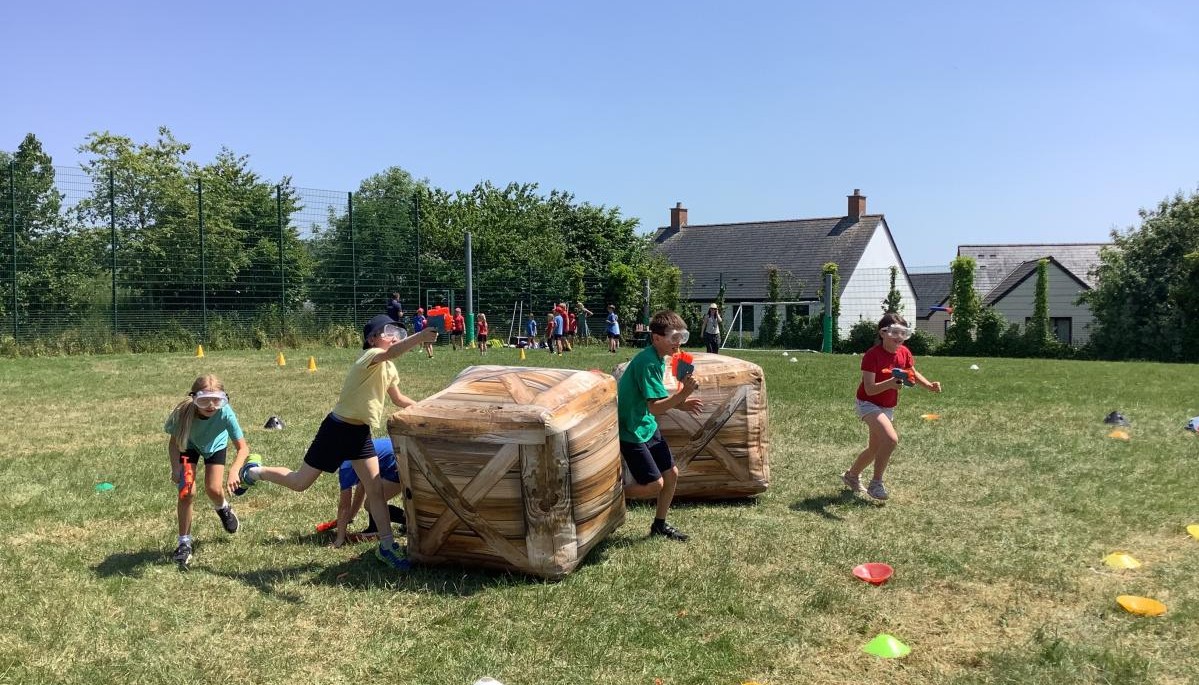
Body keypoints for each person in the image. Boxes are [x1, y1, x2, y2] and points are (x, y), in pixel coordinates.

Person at [236, 315, 438, 569]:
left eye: (397, 333)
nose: (394, 337)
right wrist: (420, 337)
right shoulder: (370, 355)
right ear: (372, 339)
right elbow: (392, 353)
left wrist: (428, 408)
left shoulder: (389, 367)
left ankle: (387, 547)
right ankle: (254, 472)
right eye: (388, 332)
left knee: (375, 490)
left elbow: (398, 398)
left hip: (360, 433)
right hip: (336, 430)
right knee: (300, 482)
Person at [617, 310, 703, 542]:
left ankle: (659, 525)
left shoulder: (657, 358)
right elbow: (655, 407)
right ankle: (607, 498)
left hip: (645, 424)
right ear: (656, 338)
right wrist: (682, 395)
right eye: (674, 337)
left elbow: (656, 399)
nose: (678, 343)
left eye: (682, 337)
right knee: (654, 485)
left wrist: (681, 405)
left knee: (671, 474)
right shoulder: (647, 362)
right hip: (631, 431)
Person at [841, 312, 942, 500]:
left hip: (887, 406)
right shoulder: (872, 355)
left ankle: (851, 476)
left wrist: (929, 385)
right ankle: (876, 483)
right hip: (868, 403)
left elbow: (912, 372)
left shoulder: (904, 352)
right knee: (890, 439)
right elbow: (870, 389)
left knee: (875, 449)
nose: (899, 337)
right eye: (895, 332)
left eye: (903, 333)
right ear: (883, 333)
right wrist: (890, 383)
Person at [164, 374, 250, 565]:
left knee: (213, 489)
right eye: (204, 401)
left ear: (224, 399)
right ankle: (184, 543)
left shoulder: (225, 413)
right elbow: (173, 443)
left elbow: (243, 448)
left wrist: (234, 470)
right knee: (186, 491)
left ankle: (223, 507)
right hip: (188, 447)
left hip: (215, 447)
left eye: (216, 400)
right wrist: (176, 467)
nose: (211, 406)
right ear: (194, 398)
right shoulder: (182, 413)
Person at [331, 437, 406, 548]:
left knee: (371, 504)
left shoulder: (346, 466)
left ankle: (411, 523)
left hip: (399, 465)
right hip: (403, 451)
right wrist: (350, 517)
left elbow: (344, 506)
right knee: (373, 495)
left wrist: (340, 539)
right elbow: (362, 488)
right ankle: (374, 529)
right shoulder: (355, 451)